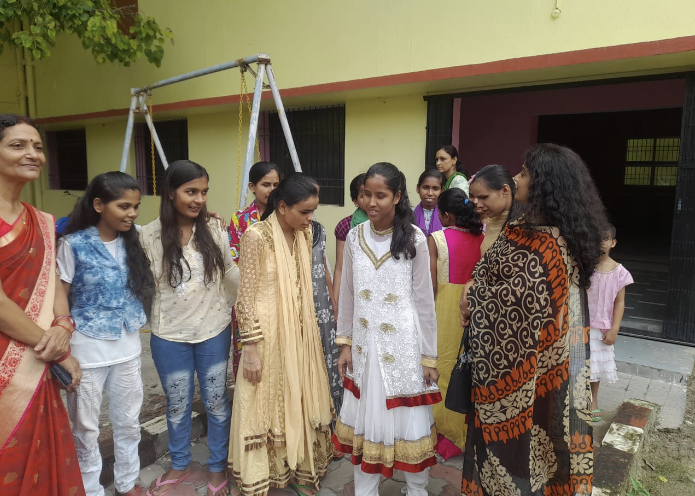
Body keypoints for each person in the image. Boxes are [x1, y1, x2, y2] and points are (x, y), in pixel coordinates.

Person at [459, 143, 608, 496]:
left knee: (529, 444)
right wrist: (474, 284)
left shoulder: (551, 242)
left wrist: (475, 296)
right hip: (512, 364)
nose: (516, 177)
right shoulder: (522, 228)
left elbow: (522, 304)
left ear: (545, 183)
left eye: (524, 173)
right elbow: (489, 270)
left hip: (532, 370)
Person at [333, 162, 440, 496]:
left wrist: (429, 356)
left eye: (380, 195)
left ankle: (417, 490)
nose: (371, 202)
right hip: (364, 348)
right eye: (366, 194)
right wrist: (345, 343)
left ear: (396, 196)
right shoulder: (354, 237)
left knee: (409, 418)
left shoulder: (415, 238)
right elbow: (347, 294)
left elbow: (424, 300)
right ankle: (365, 491)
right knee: (365, 417)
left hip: (404, 347)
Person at [229, 173, 334, 496]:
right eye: (305, 211)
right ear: (283, 206)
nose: (311, 218)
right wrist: (250, 348)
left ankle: (299, 469)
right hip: (265, 337)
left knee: (298, 396)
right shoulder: (256, 236)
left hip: (299, 334)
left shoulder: (304, 234)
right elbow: (245, 299)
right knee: (263, 402)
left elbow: (304, 288)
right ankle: (263, 474)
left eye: (313, 211)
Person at [140, 160, 239, 496]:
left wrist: (256, 296)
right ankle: (180, 463)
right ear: (171, 193)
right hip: (169, 335)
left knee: (216, 402)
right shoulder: (148, 235)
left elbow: (229, 273)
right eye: (191, 191)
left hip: (214, 329)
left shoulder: (214, 229)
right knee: (177, 403)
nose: (199, 199)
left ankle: (217, 466)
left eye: (204, 192)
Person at [0, 114, 85, 496]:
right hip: (12, 360)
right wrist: (56, 349)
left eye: (37, 146)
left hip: (39, 355)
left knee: (41, 461)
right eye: (17, 145)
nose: (32, 154)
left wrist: (63, 325)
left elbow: (53, 286)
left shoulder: (42, 221)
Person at [57, 172, 153, 496]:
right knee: (85, 430)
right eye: (124, 206)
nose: (132, 213)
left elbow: (170, 229)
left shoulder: (135, 238)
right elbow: (60, 296)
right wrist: (62, 345)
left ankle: (127, 483)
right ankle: (90, 490)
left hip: (128, 348)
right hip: (86, 352)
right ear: (99, 205)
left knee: (128, 423)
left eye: (136, 206)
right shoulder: (73, 245)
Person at [427, 188, 483, 460]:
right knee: (469, 368)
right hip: (477, 307)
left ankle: (444, 430)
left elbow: (429, 285)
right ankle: (467, 429)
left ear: (447, 215)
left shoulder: (437, 239)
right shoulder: (483, 238)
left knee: (444, 367)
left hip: (445, 309)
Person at [229, 161, 280, 378]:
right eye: (266, 185)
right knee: (249, 352)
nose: (272, 190)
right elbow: (234, 260)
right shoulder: (240, 219)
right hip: (248, 295)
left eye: (276, 185)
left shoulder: (284, 215)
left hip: (278, 294)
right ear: (252, 187)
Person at [587, 225, 633, 422]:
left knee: (595, 368)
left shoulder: (619, 272)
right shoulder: (583, 266)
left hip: (601, 328)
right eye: (597, 238)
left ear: (613, 243)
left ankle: (593, 401)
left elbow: (619, 302)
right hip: (580, 324)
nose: (601, 242)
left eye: (605, 238)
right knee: (578, 364)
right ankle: (576, 400)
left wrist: (615, 328)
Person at [311, 219, 343, 433]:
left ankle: (332, 421)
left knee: (327, 360)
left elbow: (325, 268)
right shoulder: (277, 233)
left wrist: (333, 305)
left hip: (322, 306)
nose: (309, 215)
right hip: (297, 308)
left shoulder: (319, 230)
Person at [468, 164, 518, 255]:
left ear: (505, 190)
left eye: (484, 197)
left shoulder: (522, 227)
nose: (478, 204)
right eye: (474, 197)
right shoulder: (491, 221)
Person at [333, 173, 367, 302]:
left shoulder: (388, 224)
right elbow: (340, 268)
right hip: (353, 289)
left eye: (373, 194)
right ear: (355, 201)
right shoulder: (345, 226)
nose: (370, 200)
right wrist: (335, 302)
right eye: (363, 196)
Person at [413, 168, 445, 237]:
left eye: (435, 189)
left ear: (442, 190)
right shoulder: (409, 215)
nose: (430, 193)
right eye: (425, 188)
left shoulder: (446, 217)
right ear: (418, 188)